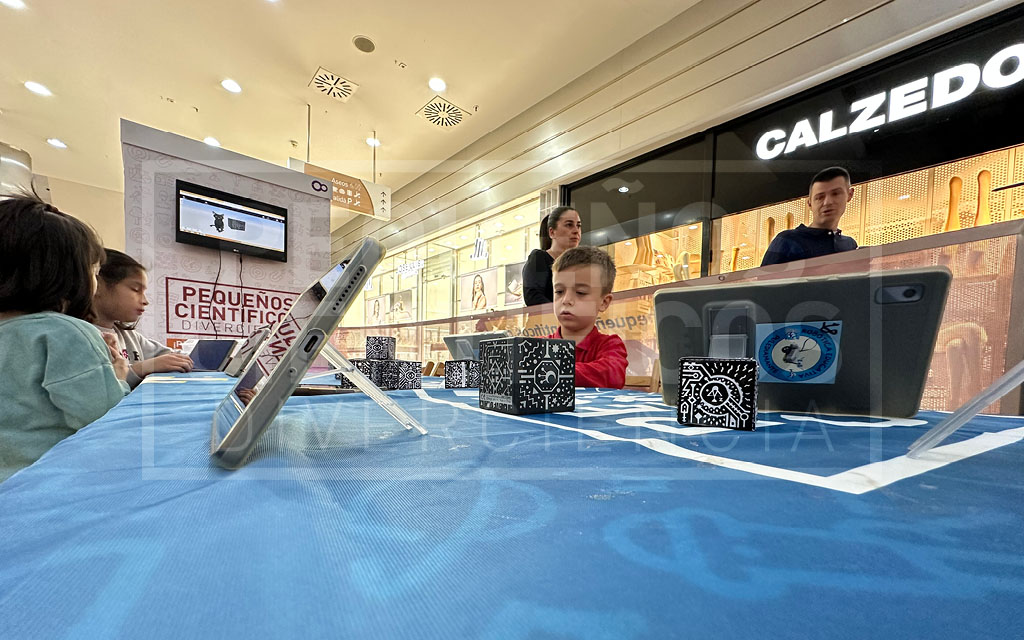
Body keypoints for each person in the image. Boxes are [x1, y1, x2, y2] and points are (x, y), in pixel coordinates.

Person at [0, 195, 130, 482]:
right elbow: (106, 419)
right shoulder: (65, 333)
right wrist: (118, 376)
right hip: (47, 484)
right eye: (94, 271)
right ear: (71, 275)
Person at [92, 249, 193, 388]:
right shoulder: (80, 337)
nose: (145, 301)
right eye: (135, 289)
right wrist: (141, 368)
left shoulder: (130, 336)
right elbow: (96, 388)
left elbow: (174, 357)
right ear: (98, 285)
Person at [545, 246, 628, 389]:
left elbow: (612, 376)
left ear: (604, 302)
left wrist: (545, 371)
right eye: (559, 291)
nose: (566, 300)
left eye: (580, 292)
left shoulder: (610, 345)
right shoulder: (538, 346)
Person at [761, 166, 859, 266]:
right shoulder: (787, 240)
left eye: (835, 193)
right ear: (809, 203)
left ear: (850, 194)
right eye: (820, 197)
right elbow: (765, 276)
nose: (827, 202)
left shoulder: (850, 245)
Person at [522, 206, 582, 306]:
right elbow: (533, 297)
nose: (576, 230)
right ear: (552, 232)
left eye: (578, 226)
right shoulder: (539, 258)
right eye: (569, 225)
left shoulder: (581, 266)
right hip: (548, 316)